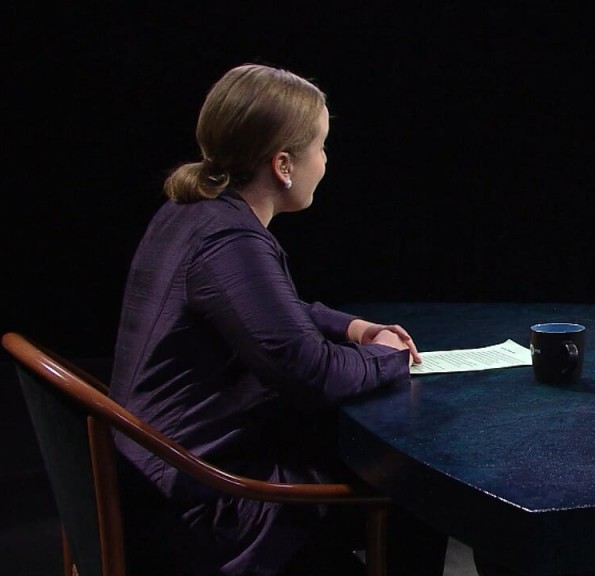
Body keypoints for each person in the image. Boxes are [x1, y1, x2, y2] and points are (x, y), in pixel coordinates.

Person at [110, 64, 447, 576]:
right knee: (418, 489)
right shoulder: (230, 241)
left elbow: (275, 313)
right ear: (283, 164)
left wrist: (354, 328)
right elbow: (312, 373)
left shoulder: (196, 212)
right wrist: (389, 359)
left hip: (154, 479)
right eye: (322, 147)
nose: (326, 162)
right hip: (199, 506)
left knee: (391, 479)